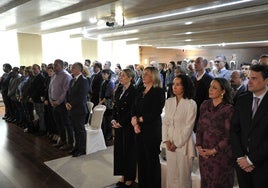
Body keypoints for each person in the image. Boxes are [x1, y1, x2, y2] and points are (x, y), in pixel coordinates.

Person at [231, 64, 268, 188]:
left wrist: (250, 160)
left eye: (254, 78)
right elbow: (234, 130)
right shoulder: (242, 99)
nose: (249, 81)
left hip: (263, 165)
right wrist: (241, 157)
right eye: (249, 78)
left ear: (266, 81)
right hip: (241, 163)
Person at [196, 77, 234, 188]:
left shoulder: (229, 109)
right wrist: (198, 146)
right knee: (205, 182)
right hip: (204, 154)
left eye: (214, 87)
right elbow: (199, 127)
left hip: (220, 156)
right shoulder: (204, 105)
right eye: (210, 87)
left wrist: (213, 151)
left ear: (223, 91)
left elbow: (229, 137)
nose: (210, 89)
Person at [131, 66, 165, 188]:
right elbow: (134, 107)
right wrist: (134, 118)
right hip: (138, 129)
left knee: (151, 160)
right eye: (143, 74)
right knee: (141, 159)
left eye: (146, 74)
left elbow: (155, 111)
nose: (143, 76)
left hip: (151, 130)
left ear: (153, 76)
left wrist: (139, 120)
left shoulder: (158, 91)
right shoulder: (141, 90)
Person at [162, 74, 197, 188]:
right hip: (169, 142)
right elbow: (165, 123)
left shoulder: (191, 103)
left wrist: (176, 144)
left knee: (184, 177)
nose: (174, 87)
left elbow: (189, 126)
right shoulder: (169, 101)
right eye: (173, 84)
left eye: (178, 84)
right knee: (172, 174)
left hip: (184, 143)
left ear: (185, 86)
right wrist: (166, 140)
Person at [112, 69, 136, 187]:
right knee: (119, 151)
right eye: (120, 75)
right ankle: (122, 175)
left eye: (123, 76)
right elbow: (115, 106)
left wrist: (121, 122)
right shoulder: (119, 89)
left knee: (128, 152)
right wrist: (113, 119)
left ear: (130, 78)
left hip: (127, 126)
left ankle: (129, 178)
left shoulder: (134, 91)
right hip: (118, 125)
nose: (120, 77)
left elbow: (132, 110)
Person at [49, 59, 73, 150]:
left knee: (67, 124)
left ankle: (70, 143)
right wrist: (51, 100)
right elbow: (50, 88)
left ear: (62, 66)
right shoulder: (54, 75)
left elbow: (65, 92)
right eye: (54, 65)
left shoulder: (66, 76)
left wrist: (57, 102)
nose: (54, 67)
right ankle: (62, 140)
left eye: (56, 65)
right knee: (59, 124)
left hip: (62, 104)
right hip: (54, 103)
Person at [66, 62, 89, 157]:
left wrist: (71, 104)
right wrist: (67, 102)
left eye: (74, 68)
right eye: (72, 67)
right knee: (75, 129)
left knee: (80, 130)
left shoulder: (84, 80)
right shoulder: (72, 80)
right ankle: (76, 147)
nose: (72, 69)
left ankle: (81, 149)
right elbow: (68, 93)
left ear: (79, 69)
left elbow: (81, 96)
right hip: (71, 108)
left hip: (79, 109)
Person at [99, 69, 115, 145]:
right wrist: (100, 100)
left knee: (109, 120)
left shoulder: (111, 83)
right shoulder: (103, 82)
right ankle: (105, 134)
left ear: (108, 74)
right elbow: (101, 92)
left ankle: (109, 135)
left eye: (104, 74)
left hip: (108, 104)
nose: (103, 75)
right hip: (103, 103)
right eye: (102, 74)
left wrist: (101, 101)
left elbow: (108, 94)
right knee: (104, 120)